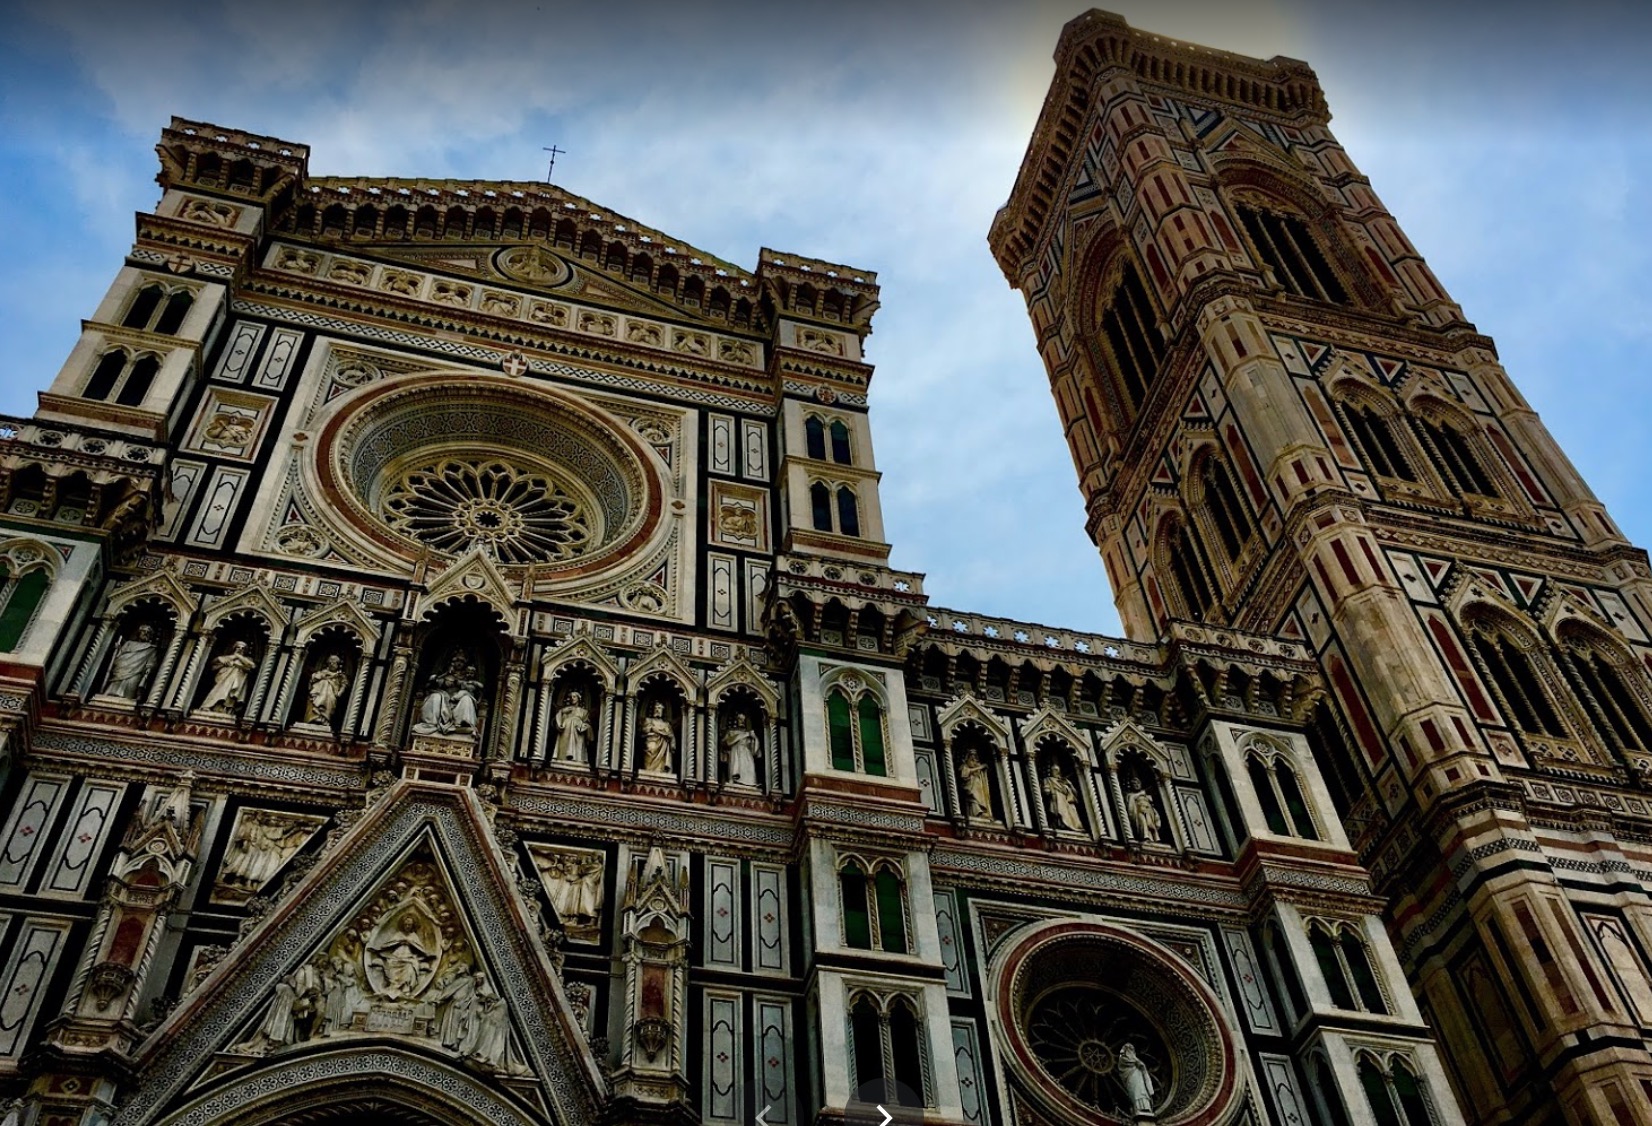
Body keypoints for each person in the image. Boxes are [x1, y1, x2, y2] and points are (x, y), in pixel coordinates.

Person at [104, 623, 160, 699]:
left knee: (129, 692)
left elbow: (151, 663)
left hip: (136, 673)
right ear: (139, 633)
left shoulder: (151, 649)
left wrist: (147, 672)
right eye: (143, 631)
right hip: (120, 670)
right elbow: (118, 656)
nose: (145, 634)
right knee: (112, 690)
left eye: (148, 632)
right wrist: (117, 649)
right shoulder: (128, 643)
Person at [200, 639, 256, 715]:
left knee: (230, 696)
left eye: (243, 648)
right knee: (219, 691)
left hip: (237, 680)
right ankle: (208, 706)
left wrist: (238, 657)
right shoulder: (227, 657)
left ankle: (226, 711)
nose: (240, 649)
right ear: (234, 648)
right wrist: (233, 657)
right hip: (224, 678)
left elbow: (252, 666)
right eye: (238, 647)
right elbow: (215, 662)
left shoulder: (247, 659)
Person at [304, 654, 349, 725]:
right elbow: (313, 679)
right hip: (318, 693)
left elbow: (344, 685)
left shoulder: (340, 676)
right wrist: (325, 676)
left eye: (334, 663)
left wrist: (339, 693)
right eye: (331, 662)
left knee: (330, 700)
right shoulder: (322, 672)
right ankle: (314, 717)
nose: (332, 664)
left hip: (331, 694)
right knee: (317, 696)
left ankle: (324, 719)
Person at [722, 712, 760, 786]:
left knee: (750, 768)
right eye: (740, 719)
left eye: (743, 719)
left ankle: (750, 783)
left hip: (747, 754)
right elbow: (727, 742)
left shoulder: (749, 734)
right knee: (737, 767)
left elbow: (755, 751)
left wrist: (755, 738)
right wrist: (746, 734)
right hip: (736, 752)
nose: (742, 721)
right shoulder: (731, 732)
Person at [1117, 1042, 1155, 1114]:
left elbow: (1140, 1064)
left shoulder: (1134, 1060)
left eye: (1132, 1050)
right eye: (1129, 1049)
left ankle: (1145, 1107)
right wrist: (1139, 1063)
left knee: (1142, 1091)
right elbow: (1132, 1061)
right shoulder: (1123, 1058)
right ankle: (1138, 1108)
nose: (1131, 1052)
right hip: (1131, 1078)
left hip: (1138, 1076)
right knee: (1136, 1092)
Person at [554, 691, 591, 763]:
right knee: (564, 748)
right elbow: (558, 720)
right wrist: (562, 712)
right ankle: (561, 758)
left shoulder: (584, 712)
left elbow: (587, 723)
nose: (572, 698)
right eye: (571, 697)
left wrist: (583, 726)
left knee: (577, 750)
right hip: (566, 731)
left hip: (578, 732)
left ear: (578, 698)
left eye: (574, 697)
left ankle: (578, 760)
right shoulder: (565, 710)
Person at [1044, 764, 1083, 831]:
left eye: (1057, 770)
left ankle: (1074, 826)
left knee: (1072, 813)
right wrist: (1047, 790)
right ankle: (1060, 825)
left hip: (1067, 801)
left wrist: (1069, 784)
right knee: (1060, 813)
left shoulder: (1064, 781)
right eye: (1054, 770)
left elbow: (1075, 793)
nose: (1056, 772)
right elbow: (1046, 790)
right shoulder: (1048, 779)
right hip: (1057, 798)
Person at [641, 701, 675, 773]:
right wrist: (651, 729)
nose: (657, 710)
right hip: (652, 740)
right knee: (651, 748)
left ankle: (660, 770)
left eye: (659, 708)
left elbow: (671, 735)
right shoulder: (649, 720)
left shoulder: (666, 724)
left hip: (663, 745)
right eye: (656, 708)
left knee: (662, 761)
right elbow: (644, 730)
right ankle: (649, 769)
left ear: (663, 711)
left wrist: (673, 744)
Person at [1126, 778, 1163, 843]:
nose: (1137, 785)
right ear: (1131, 786)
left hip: (1148, 811)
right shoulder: (1131, 795)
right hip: (1139, 812)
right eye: (1134, 784)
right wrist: (1140, 794)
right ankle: (1145, 837)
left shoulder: (1146, 795)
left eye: (1138, 783)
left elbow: (1151, 804)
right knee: (1143, 823)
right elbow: (1131, 806)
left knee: (1151, 825)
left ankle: (1154, 838)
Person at [960, 749, 993, 819]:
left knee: (980, 796)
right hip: (971, 786)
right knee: (973, 797)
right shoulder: (964, 767)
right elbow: (964, 774)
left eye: (975, 759)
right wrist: (979, 767)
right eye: (972, 760)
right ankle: (977, 813)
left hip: (979, 787)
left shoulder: (977, 769)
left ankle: (984, 811)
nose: (974, 762)